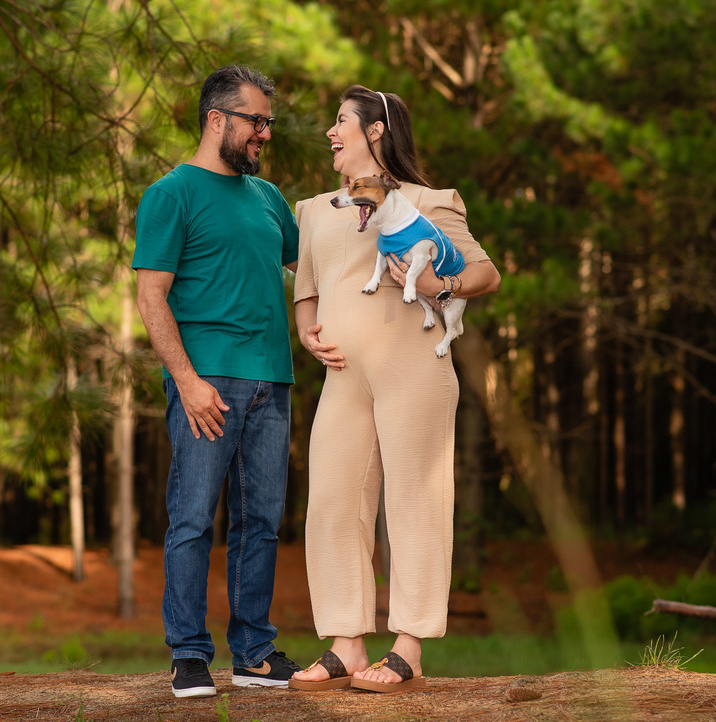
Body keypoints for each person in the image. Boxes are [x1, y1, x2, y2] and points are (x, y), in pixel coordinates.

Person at [288, 86, 500, 693]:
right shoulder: (314, 209)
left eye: (340, 123)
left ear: (376, 130)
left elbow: (487, 273)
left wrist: (440, 281)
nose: (330, 132)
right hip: (343, 379)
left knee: (415, 503)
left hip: (415, 373)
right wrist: (307, 334)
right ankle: (346, 644)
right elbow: (307, 290)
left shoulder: (429, 202)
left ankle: (408, 647)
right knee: (331, 501)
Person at [132, 64, 302, 699]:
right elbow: (152, 297)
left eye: (268, 123)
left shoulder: (269, 199)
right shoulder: (171, 193)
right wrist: (187, 379)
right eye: (255, 121)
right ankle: (188, 655)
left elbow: (309, 263)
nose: (264, 133)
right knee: (193, 519)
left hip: (272, 381)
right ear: (216, 119)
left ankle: (255, 652)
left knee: (260, 521)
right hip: (207, 385)